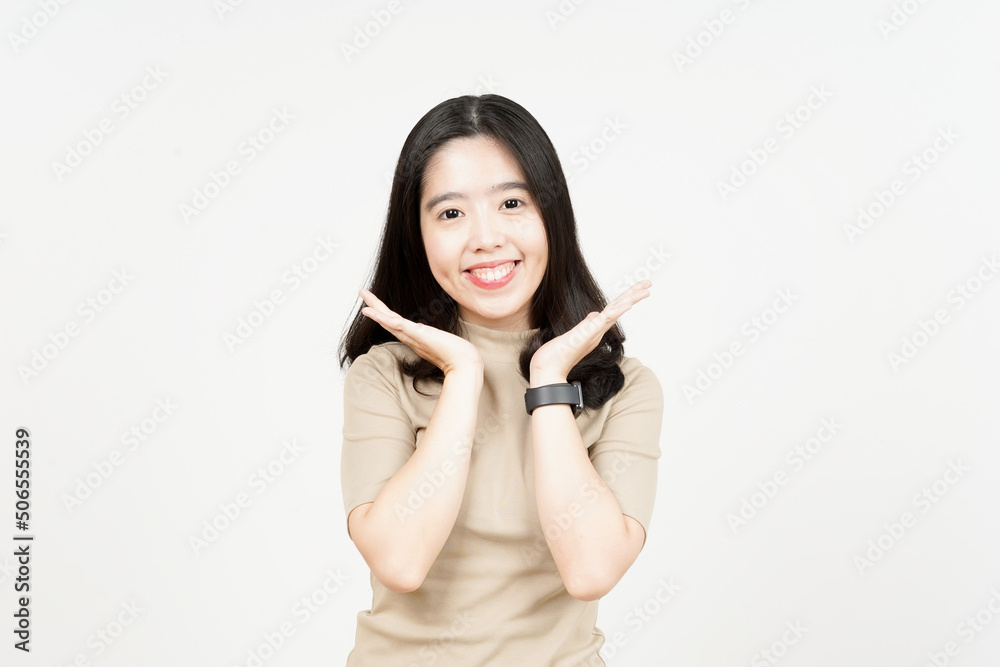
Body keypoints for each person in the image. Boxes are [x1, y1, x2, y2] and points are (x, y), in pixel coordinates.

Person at [338, 94, 664, 666]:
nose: (485, 238)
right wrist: (463, 374)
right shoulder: (383, 376)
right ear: (417, 236)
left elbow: (591, 571)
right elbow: (400, 562)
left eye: (512, 203)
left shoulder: (624, 389)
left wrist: (549, 381)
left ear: (552, 216)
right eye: (451, 213)